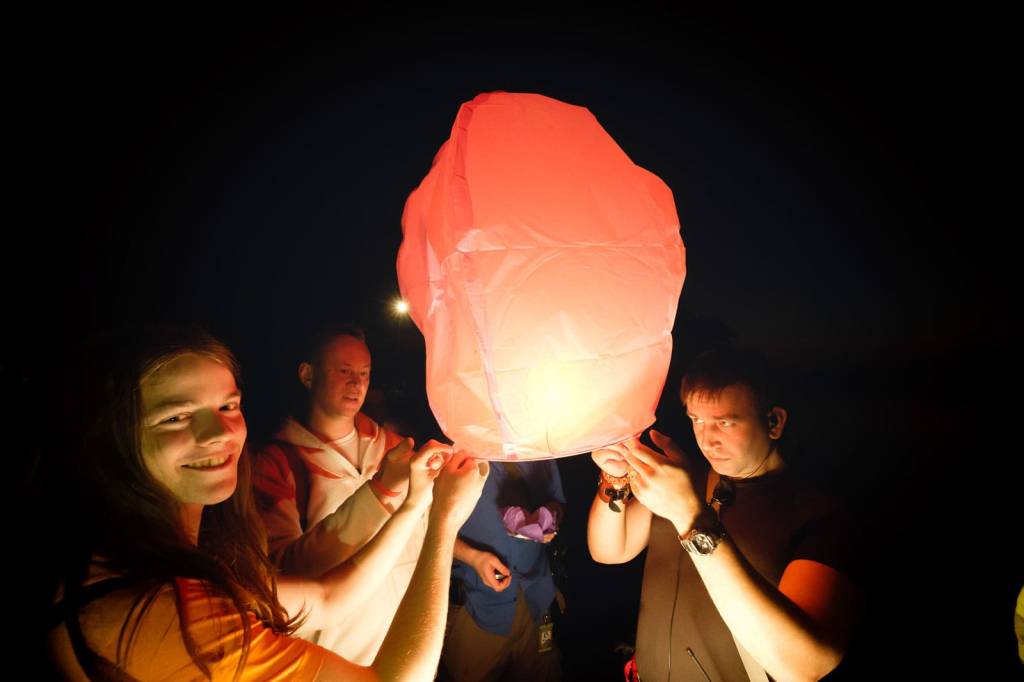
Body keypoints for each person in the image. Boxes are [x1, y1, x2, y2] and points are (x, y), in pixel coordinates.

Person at [45, 327, 488, 680]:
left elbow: (328, 596)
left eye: (228, 406)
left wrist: (414, 505)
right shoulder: (161, 612)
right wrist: (442, 520)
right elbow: (306, 576)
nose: (218, 433)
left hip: (390, 636)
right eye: (176, 416)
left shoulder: (191, 562)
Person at [587, 348, 862, 682]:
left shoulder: (819, 517)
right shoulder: (683, 478)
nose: (708, 440)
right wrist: (615, 479)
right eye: (697, 420)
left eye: (726, 422)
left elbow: (804, 667)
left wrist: (689, 516)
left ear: (774, 422)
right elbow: (610, 551)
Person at [253, 326, 428, 663]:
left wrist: (470, 555)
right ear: (307, 375)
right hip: (338, 657)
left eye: (364, 373)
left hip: (409, 642)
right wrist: (380, 492)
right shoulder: (279, 463)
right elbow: (283, 570)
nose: (356, 383)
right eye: (344, 371)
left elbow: (420, 520)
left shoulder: (392, 445)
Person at [442, 461, 565, 681]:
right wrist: (473, 557)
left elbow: (557, 501)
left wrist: (550, 518)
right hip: (478, 605)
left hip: (537, 599)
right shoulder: (455, 458)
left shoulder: (539, 451)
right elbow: (426, 527)